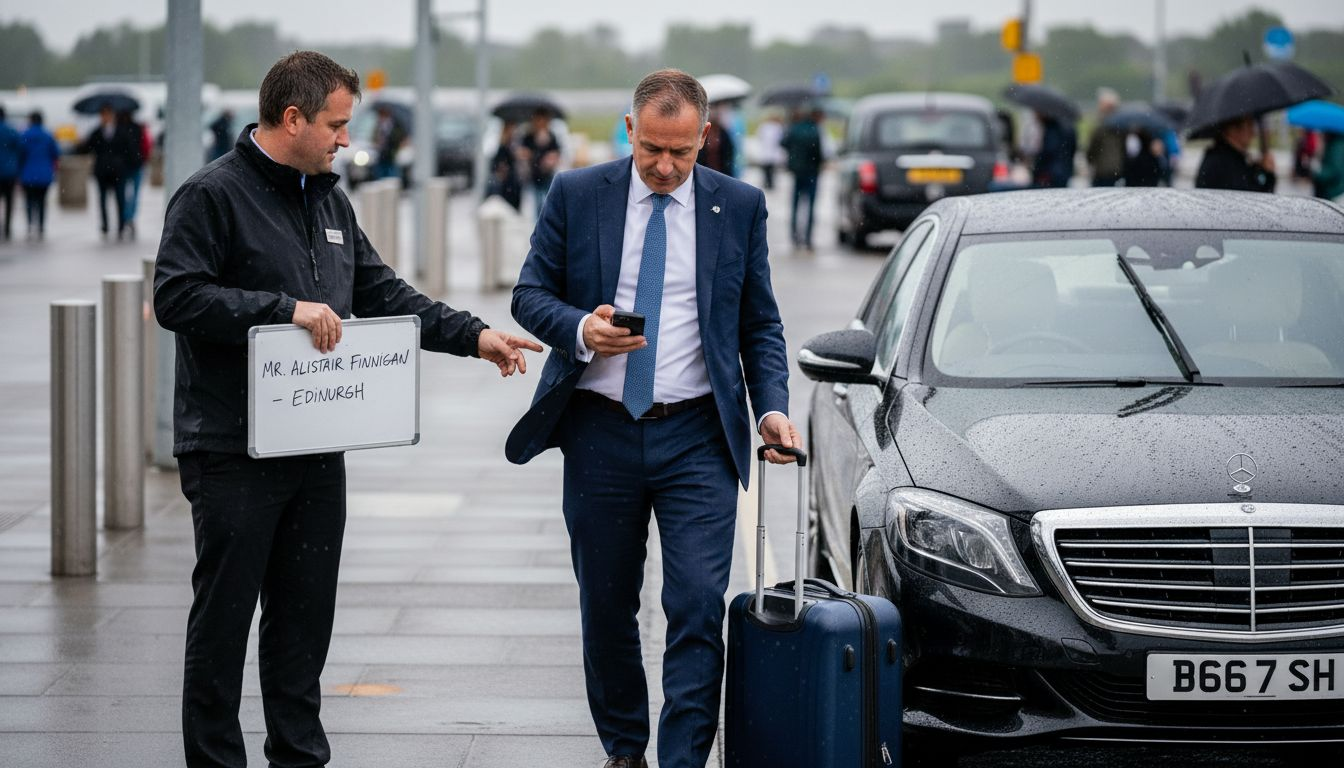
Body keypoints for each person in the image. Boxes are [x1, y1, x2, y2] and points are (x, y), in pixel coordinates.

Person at [153, 51, 541, 768]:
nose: (344, 139)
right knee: (224, 623)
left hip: (316, 443)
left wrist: (476, 337)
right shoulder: (211, 195)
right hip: (232, 448)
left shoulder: (328, 197)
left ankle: (299, 758)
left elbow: (385, 294)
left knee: (303, 623)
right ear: (293, 117)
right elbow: (176, 297)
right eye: (335, 125)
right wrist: (283, 311)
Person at [506, 68, 799, 768]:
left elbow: (759, 323)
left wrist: (775, 409)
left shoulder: (741, 204)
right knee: (606, 607)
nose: (666, 167)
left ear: (705, 137)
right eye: (652, 151)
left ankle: (682, 759)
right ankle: (624, 749)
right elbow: (528, 294)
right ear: (630, 130)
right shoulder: (578, 193)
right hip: (600, 430)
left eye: (683, 152)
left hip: (698, 434)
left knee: (698, 605)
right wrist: (582, 328)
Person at [79, 104, 138, 240]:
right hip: (102, 172)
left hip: (118, 172)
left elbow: (130, 150)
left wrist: (126, 165)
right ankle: (105, 225)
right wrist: (81, 143)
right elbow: (86, 148)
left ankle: (121, 226)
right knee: (102, 199)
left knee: (120, 199)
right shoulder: (96, 132)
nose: (105, 117)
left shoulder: (122, 131)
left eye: (107, 114)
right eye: (103, 114)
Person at [780, 105, 824, 249]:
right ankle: (808, 238)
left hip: (797, 171)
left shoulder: (795, 128)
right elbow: (818, 152)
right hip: (812, 172)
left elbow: (783, 143)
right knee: (810, 206)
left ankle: (794, 236)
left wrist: (794, 154)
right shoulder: (815, 130)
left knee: (795, 205)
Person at [1195, 115, 1275, 192]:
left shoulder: (1227, 156)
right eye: (1249, 125)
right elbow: (1250, 199)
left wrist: (1259, 169)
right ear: (1232, 129)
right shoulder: (1223, 162)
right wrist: (1267, 173)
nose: (1252, 133)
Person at [17, 111, 58, 240]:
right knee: (42, 201)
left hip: (28, 173)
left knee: (29, 200)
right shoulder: (48, 135)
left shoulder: (24, 135)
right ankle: (41, 226)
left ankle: (30, 225)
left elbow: (20, 154)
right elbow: (56, 153)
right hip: (44, 174)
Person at [519, 108, 562, 219]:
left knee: (549, 200)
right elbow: (522, 152)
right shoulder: (528, 136)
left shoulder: (551, 136)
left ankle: (548, 221)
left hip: (547, 173)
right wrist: (528, 153)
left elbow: (557, 153)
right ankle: (538, 224)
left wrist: (551, 158)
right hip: (534, 173)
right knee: (537, 202)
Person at [118, 109, 150, 240]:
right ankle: (129, 217)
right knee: (134, 194)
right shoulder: (137, 128)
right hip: (135, 164)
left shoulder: (119, 128)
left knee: (125, 194)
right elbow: (146, 145)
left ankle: (127, 217)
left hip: (125, 166)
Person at [1085, 88, 1125, 187]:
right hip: (1118, 169)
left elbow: (1092, 148)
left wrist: (1090, 159)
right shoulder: (1123, 124)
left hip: (1102, 171)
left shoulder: (1101, 125)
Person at [1032, 112, 1076, 188]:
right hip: (1065, 170)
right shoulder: (1069, 127)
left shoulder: (1051, 130)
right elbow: (1073, 149)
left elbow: (1048, 151)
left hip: (1051, 173)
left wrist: (1036, 169)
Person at [486, 121, 523, 212]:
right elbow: (496, 163)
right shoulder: (502, 145)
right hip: (505, 184)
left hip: (513, 182)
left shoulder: (516, 144)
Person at [695, 103, 735, 175]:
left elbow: (729, 152)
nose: (714, 115)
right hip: (705, 171)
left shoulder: (723, 132)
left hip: (722, 171)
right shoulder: (703, 132)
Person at [0, 106, 20, 241]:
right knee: (9, 201)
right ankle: (7, 228)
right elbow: (20, 149)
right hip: (9, 172)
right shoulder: (11, 130)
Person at [371, 104, 406, 181]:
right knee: (380, 174)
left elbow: (400, 137)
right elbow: (374, 138)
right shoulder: (378, 126)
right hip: (381, 154)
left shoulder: (396, 125)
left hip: (392, 154)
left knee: (392, 175)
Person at [753, 111, 783, 190]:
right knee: (768, 169)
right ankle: (768, 183)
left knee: (769, 169)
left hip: (770, 151)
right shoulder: (772, 127)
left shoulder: (773, 127)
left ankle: (769, 183)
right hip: (768, 151)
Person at [1312, 130, 1344, 202]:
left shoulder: (1336, 146)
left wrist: (1317, 174)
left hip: (1334, 191)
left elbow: (1334, 170)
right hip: (1335, 190)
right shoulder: (1335, 144)